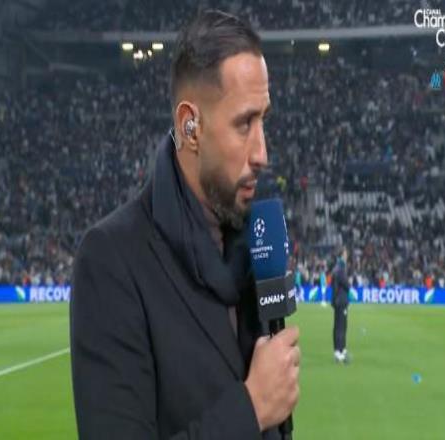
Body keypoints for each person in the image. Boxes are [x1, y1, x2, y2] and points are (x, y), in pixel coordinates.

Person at [70, 10, 300, 440]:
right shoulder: (112, 260)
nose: (262, 154)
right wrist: (251, 408)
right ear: (189, 127)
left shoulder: (254, 248)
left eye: (263, 120)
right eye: (244, 123)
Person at [331, 247, 350, 363]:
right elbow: (346, 285)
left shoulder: (335, 268)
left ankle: (338, 350)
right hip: (341, 301)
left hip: (336, 300)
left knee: (337, 326)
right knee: (342, 326)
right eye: (346, 254)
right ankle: (341, 350)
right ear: (342, 255)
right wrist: (348, 283)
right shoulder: (341, 268)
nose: (347, 256)